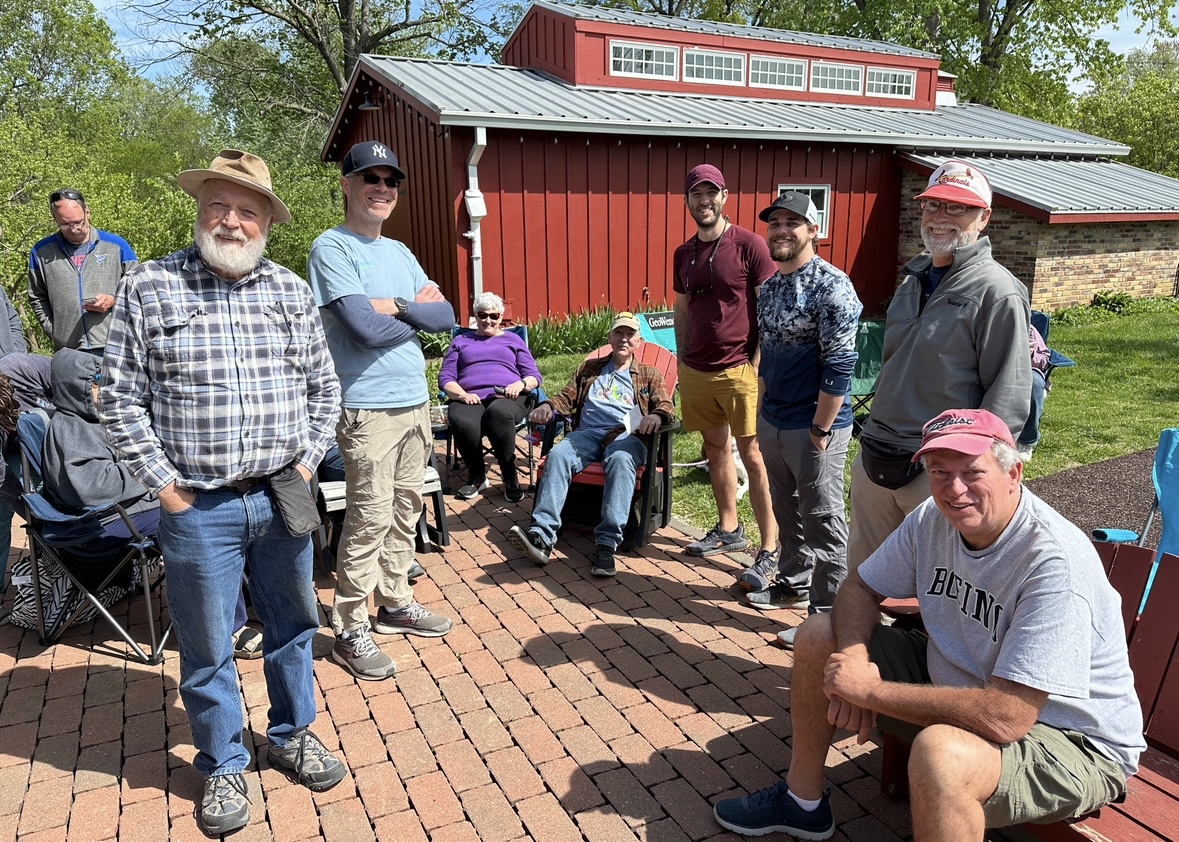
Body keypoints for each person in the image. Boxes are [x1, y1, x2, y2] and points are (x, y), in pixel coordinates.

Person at [713, 408, 1144, 840]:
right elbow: (859, 587)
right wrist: (855, 660)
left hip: (1070, 739)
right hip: (964, 685)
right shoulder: (932, 518)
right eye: (939, 472)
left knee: (940, 755)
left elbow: (1007, 717)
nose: (954, 489)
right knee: (818, 635)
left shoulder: (1052, 564)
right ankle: (801, 803)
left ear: (1013, 472)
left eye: (972, 471)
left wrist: (869, 691)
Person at [101, 149, 345, 836]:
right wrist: (164, 488)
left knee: (293, 626)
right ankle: (223, 763)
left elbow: (324, 391)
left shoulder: (291, 291)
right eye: (219, 205)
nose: (231, 221)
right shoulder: (149, 287)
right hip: (197, 507)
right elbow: (119, 399)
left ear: (267, 219)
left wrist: (302, 467)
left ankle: (292, 733)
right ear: (199, 209)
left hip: (279, 496)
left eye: (246, 209)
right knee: (208, 643)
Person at [308, 140, 456, 684]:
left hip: (416, 402)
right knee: (367, 516)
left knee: (406, 509)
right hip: (366, 407)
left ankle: (394, 602)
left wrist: (394, 306)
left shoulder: (399, 252)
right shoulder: (332, 249)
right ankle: (350, 626)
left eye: (391, 180)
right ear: (346, 184)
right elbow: (362, 329)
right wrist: (410, 309)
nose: (382, 188)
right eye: (369, 178)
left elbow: (446, 316)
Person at [850, 160, 1031, 569]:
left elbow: (1008, 395)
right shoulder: (913, 279)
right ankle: (855, 636)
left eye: (957, 208)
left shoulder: (997, 291)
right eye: (933, 206)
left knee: (937, 587)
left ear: (984, 217)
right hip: (877, 451)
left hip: (939, 468)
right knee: (866, 577)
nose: (940, 218)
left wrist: (969, 474)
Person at [740, 193, 861, 649]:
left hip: (816, 427)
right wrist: (762, 408)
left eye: (794, 222)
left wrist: (821, 429)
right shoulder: (769, 288)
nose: (781, 230)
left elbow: (840, 364)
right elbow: (767, 353)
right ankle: (792, 581)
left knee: (824, 520)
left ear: (814, 231)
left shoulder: (832, 286)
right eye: (774, 223)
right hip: (774, 419)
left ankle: (827, 618)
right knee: (786, 508)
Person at [508, 313, 676, 577]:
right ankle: (541, 536)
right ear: (609, 337)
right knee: (560, 454)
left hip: (627, 436)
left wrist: (656, 415)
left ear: (638, 341)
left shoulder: (649, 374)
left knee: (620, 460)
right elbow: (566, 397)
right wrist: (547, 406)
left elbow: (666, 405)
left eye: (629, 334)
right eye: (618, 333)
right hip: (587, 434)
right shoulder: (589, 369)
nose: (623, 339)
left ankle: (607, 544)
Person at [673, 164, 779, 564]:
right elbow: (681, 311)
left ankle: (769, 546)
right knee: (715, 447)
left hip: (740, 368)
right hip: (698, 370)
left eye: (711, 193)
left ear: (725, 197)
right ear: (687, 202)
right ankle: (729, 528)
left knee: (752, 455)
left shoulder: (749, 244)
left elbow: (770, 307)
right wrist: (683, 361)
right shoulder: (683, 253)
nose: (704, 201)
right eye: (696, 195)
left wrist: (757, 362)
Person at [439, 291, 542, 502]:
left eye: (494, 316)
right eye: (483, 315)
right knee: (461, 419)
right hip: (470, 397)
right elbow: (446, 378)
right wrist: (461, 394)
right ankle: (477, 476)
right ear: (475, 316)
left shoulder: (513, 340)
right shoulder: (460, 341)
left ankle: (509, 475)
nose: (488, 320)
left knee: (497, 412)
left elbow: (534, 376)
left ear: (501, 317)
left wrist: (520, 384)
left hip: (508, 396)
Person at [29, 188, 137, 352]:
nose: (73, 229)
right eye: (65, 224)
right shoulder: (41, 252)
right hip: (68, 350)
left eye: (78, 222)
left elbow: (139, 291)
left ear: (88, 213)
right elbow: (37, 297)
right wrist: (54, 331)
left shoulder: (117, 246)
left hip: (115, 345)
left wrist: (114, 300)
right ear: (54, 219)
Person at [1016, 325, 1050, 462]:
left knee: (1034, 383)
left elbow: (1044, 359)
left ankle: (1027, 441)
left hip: (1027, 369)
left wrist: (1031, 354)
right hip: (995, 368)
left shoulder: (1028, 328)